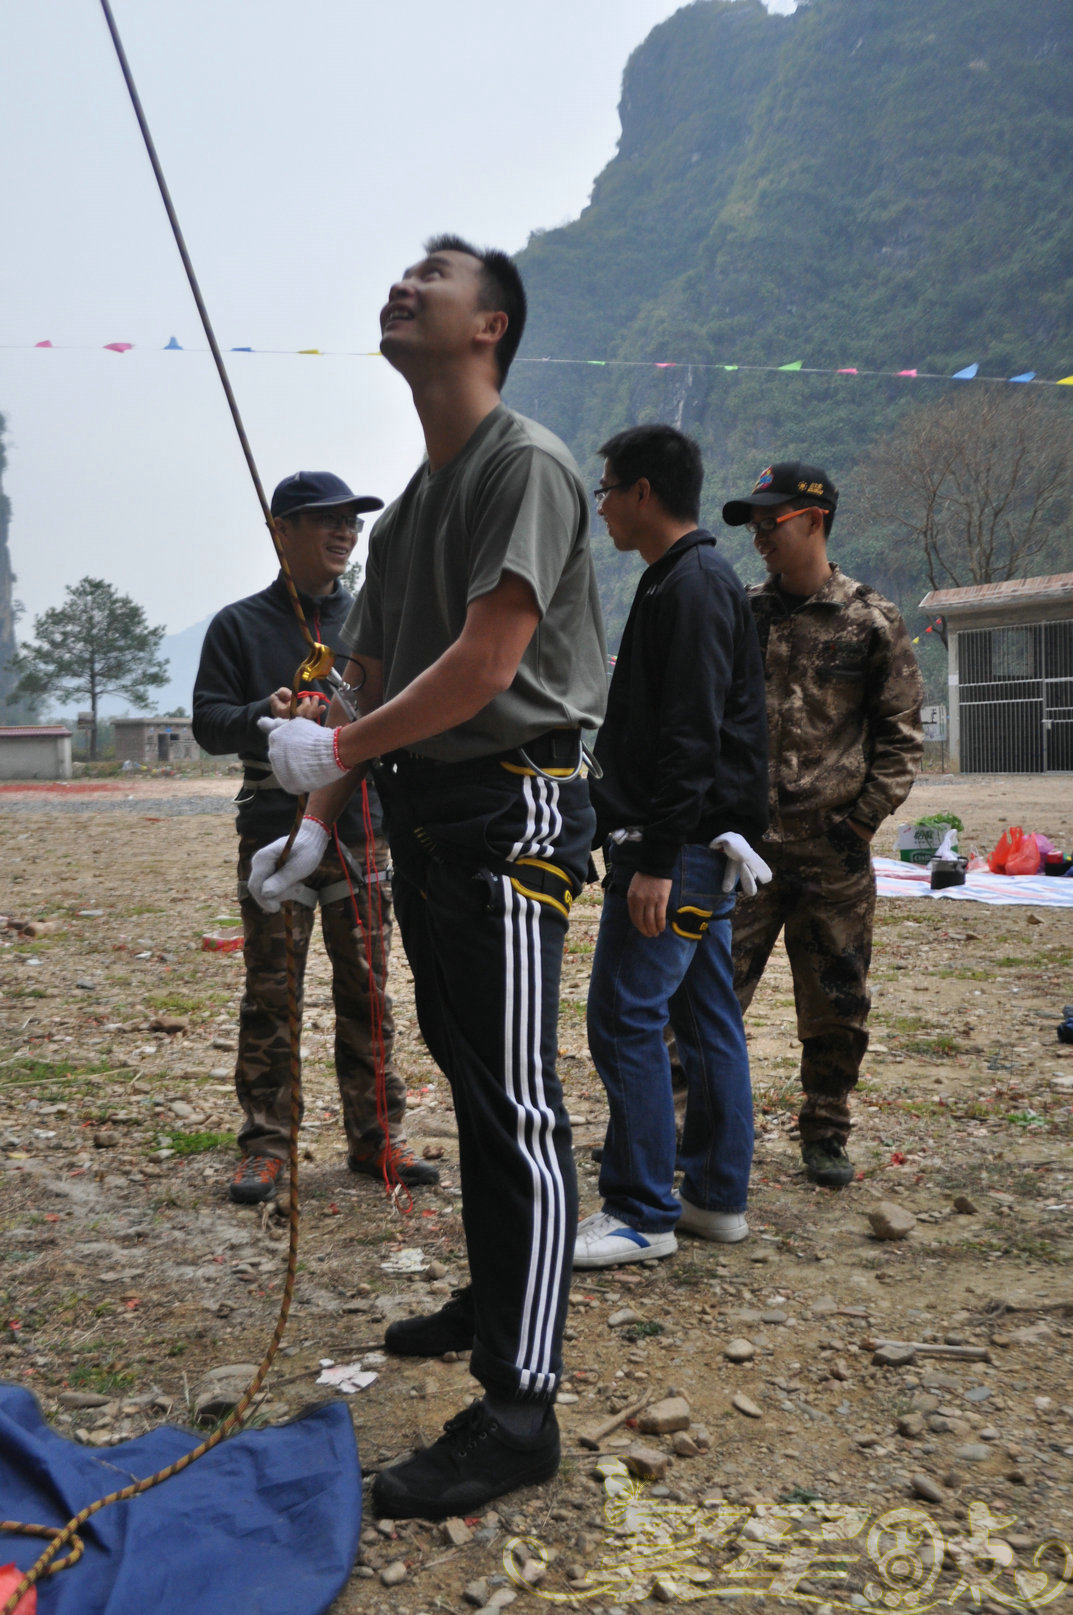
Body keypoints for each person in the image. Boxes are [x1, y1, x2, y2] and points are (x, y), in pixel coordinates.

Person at [250, 236, 608, 1518]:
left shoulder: (525, 465)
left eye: (434, 274)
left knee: (513, 1101)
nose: (404, 283)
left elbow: (485, 661)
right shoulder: (406, 513)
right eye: (402, 271)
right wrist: (317, 820)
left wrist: (339, 752)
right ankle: (497, 1291)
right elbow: (367, 683)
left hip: (511, 811)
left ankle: (519, 1409)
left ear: (488, 324)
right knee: (467, 1071)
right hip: (428, 815)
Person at [192, 470, 438, 1204]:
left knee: (368, 990)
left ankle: (376, 1139)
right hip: (273, 830)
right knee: (272, 991)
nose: (344, 532)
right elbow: (208, 721)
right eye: (327, 519)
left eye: (352, 522)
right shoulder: (238, 625)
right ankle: (267, 1146)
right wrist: (262, 715)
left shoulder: (373, 622)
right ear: (281, 530)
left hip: (363, 831)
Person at [573, 426, 769, 1270]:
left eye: (607, 491)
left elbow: (691, 736)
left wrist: (655, 859)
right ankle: (714, 1194)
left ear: (643, 492)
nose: (603, 507)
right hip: (699, 844)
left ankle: (640, 1208)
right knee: (704, 1016)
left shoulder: (689, 585)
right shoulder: (686, 578)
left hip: (679, 851)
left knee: (623, 1017)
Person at [721, 462, 924, 1187]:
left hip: (832, 851)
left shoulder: (871, 620)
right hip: (746, 850)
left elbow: (900, 736)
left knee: (836, 999)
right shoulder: (741, 613)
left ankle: (826, 1131)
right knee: (710, 992)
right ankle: (688, 1126)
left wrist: (860, 824)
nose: (757, 537)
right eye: (751, 525)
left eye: (768, 522)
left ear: (813, 519)